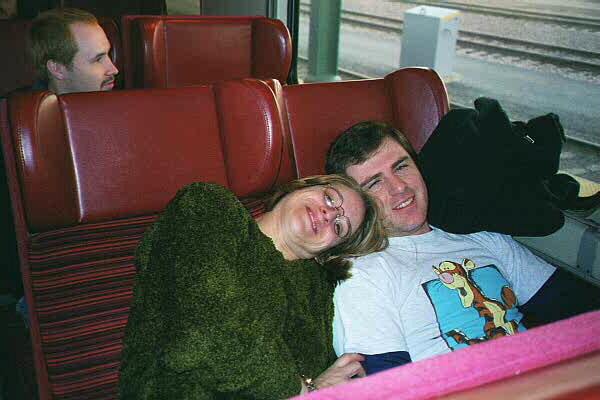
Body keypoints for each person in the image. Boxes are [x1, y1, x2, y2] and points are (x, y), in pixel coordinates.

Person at [325, 120, 600, 375]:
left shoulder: (483, 238)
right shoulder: (363, 274)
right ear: (357, 203)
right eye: (375, 183)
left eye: (401, 167)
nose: (399, 187)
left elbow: (578, 306)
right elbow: (387, 387)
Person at [118, 175, 388, 399]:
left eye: (339, 227)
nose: (329, 214)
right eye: (329, 198)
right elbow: (208, 332)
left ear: (329, 250)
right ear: (302, 186)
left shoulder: (317, 293)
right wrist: (306, 389)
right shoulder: (208, 207)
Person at [29, 7, 118, 94]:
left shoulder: (118, 101)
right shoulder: (29, 104)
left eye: (108, 54)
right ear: (57, 69)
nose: (114, 70)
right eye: (98, 59)